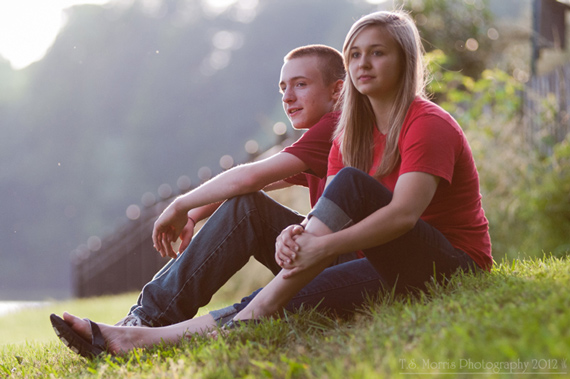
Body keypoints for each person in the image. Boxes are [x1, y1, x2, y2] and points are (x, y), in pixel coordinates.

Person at [50, 44, 359, 357]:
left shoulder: (335, 126)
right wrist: (195, 214)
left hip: (352, 269)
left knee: (248, 207)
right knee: (247, 206)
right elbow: (251, 183)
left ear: (337, 90)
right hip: (330, 258)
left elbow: (249, 178)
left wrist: (179, 206)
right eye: (283, 87)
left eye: (300, 84)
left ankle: (144, 321)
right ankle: (140, 321)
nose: (287, 96)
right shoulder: (319, 139)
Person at [226, 9, 493, 323]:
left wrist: (322, 247)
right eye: (354, 55)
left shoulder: (428, 123)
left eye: (377, 53)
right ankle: (172, 332)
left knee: (352, 185)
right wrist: (296, 234)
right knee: (295, 293)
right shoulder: (348, 134)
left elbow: (403, 216)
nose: (362, 63)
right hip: (383, 256)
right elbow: (330, 211)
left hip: (451, 265)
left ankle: (250, 315)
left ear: (404, 60)